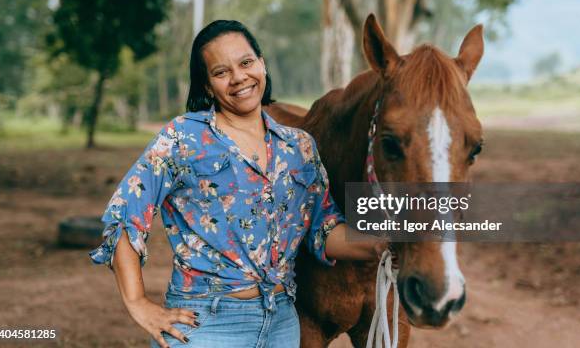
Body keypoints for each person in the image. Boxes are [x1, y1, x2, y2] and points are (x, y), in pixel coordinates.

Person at [89, 19, 387, 348]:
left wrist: (386, 242)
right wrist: (138, 303)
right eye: (221, 72)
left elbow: (324, 230)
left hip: (282, 324)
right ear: (206, 86)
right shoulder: (183, 138)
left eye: (246, 62)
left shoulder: (298, 146)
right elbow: (124, 215)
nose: (238, 78)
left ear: (262, 64)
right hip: (207, 324)